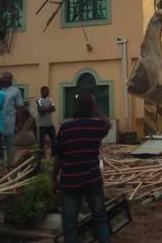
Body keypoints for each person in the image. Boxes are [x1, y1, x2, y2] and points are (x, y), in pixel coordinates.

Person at [52, 93, 112, 243]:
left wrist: (53, 178)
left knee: (70, 224)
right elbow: (108, 124)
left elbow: (59, 157)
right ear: (91, 108)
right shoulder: (97, 127)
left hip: (70, 181)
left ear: (76, 107)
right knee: (100, 219)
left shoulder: (66, 128)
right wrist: (96, 107)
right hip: (93, 180)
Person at [0, 72, 24, 168]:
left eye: (7, 78)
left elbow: (19, 107)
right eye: (3, 78)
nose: (5, 80)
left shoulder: (15, 91)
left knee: (10, 144)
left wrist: (20, 122)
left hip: (9, 121)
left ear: (11, 79)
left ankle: (10, 165)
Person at [37, 86, 57, 158]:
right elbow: (41, 111)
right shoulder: (39, 100)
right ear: (41, 92)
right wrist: (49, 109)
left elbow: (54, 109)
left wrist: (45, 109)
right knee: (42, 142)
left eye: (47, 91)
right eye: (45, 91)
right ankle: (42, 157)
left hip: (50, 124)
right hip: (42, 125)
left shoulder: (50, 100)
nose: (47, 93)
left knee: (54, 141)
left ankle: (53, 155)